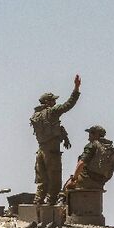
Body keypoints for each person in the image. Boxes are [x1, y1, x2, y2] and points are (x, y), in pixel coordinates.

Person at [30, 74, 81, 205]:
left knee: (42, 181)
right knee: (55, 179)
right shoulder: (52, 112)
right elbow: (68, 104)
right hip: (51, 151)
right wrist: (76, 88)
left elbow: (51, 128)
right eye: (53, 100)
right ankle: (50, 205)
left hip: (41, 151)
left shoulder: (36, 115)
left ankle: (38, 203)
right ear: (48, 102)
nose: (55, 102)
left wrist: (64, 136)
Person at [67, 125, 114, 190]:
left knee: (66, 187)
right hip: (101, 182)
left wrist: (73, 179)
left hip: (87, 179)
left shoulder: (92, 145)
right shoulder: (109, 147)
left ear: (96, 135)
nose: (89, 135)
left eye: (91, 133)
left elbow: (81, 163)